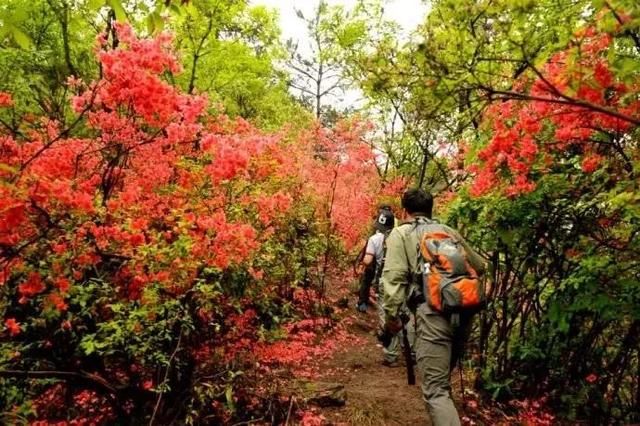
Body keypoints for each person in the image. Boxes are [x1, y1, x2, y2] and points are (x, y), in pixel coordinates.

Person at [380, 188, 486, 426]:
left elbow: (394, 278)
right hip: (464, 311)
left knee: (436, 391)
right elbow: (479, 266)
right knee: (442, 382)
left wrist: (391, 317)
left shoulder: (401, 234)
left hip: (433, 315)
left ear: (404, 211)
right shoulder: (448, 231)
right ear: (431, 209)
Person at [355, 206, 394, 313]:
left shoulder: (374, 239)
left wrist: (361, 264)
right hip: (392, 271)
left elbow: (367, 260)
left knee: (366, 279)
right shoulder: (396, 237)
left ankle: (362, 303)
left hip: (377, 269)